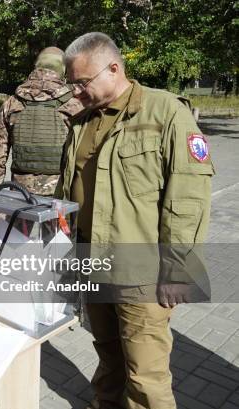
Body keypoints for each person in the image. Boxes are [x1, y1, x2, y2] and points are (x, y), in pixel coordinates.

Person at [55, 32, 213, 409]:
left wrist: (178, 269)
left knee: (145, 375)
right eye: (71, 84)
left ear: (114, 68)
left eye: (81, 82)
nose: (75, 92)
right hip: (93, 265)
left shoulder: (165, 112)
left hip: (141, 273)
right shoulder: (82, 121)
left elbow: (188, 197)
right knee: (109, 359)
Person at [0, 47, 82, 196]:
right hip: (60, 194)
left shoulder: (12, 103)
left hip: (20, 194)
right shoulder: (74, 104)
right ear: (63, 69)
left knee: (19, 220)